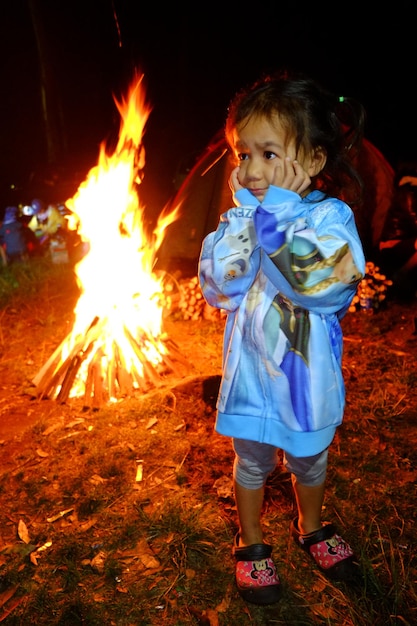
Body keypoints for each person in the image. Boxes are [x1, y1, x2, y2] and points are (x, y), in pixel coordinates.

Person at [198, 70, 366, 605]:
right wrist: (247, 225)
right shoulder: (238, 219)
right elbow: (221, 288)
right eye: (242, 154)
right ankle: (251, 543)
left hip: (304, 381)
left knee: (309, 460)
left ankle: (309, 525)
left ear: (313, 161)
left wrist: (278, 223)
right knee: (252, 461)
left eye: (268, 154)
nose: (250, 168)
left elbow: (323, 287)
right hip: (251, 378)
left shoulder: (330, 218)